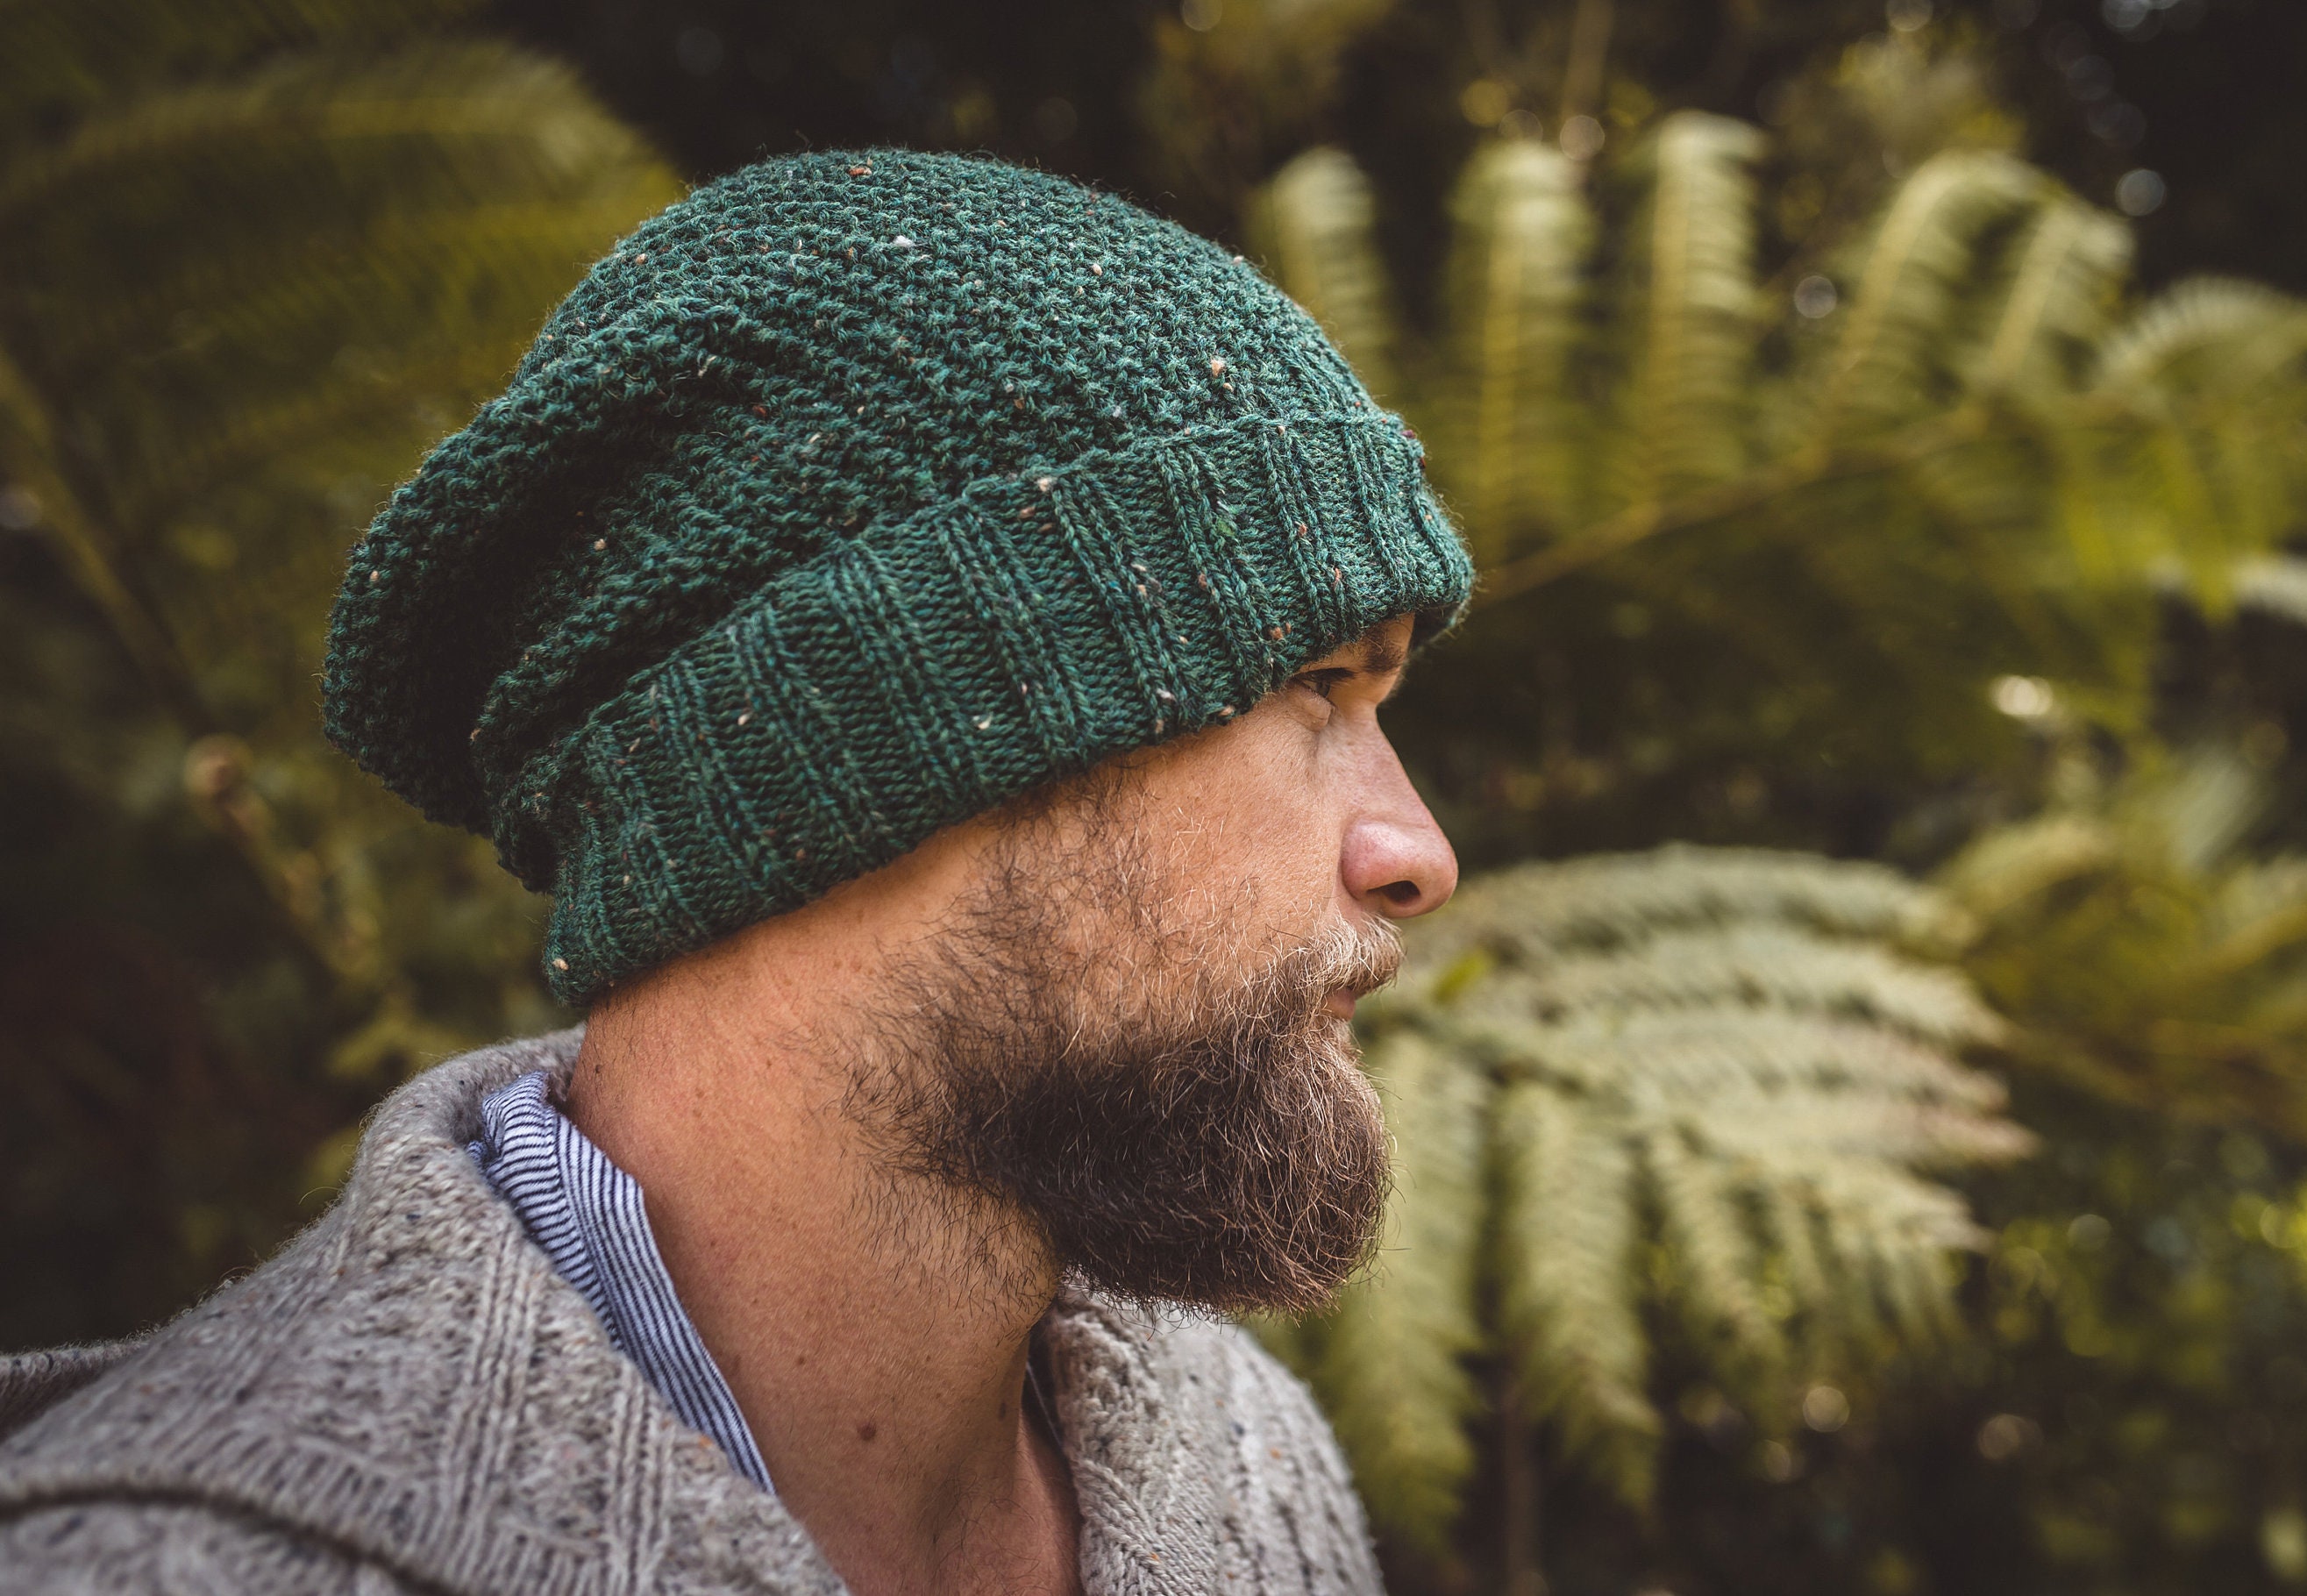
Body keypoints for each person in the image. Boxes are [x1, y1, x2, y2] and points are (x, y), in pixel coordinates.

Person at [0, 147, 1474, 1596]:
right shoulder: (160, 1562)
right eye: (1316, 686)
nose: (1417, 854)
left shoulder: (1250, 1467)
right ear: (874, 743)